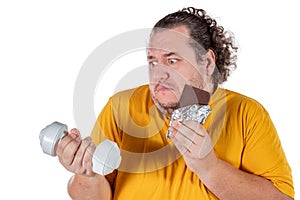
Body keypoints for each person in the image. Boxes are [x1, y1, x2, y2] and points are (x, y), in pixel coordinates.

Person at [56, 7, 294, 199]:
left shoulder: (246, 114)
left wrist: (208, 167)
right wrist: (85, 175)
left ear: (208, 62)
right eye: (152, 62)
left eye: (172, 60)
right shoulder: (121, 107)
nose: (159, 73)